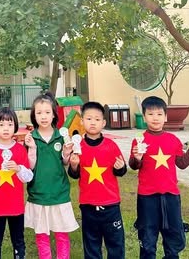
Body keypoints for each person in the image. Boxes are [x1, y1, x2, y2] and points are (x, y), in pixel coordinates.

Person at [129, 96, 189, 259]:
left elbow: (181, 163)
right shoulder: (140, 141)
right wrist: (137, 157)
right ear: (144, 117)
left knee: (174, 234)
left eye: (159, 114)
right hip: (147, 197)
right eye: (150, 114)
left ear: (166, 117)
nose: (155, 118)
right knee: (147, 235)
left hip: (170, 196)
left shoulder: (172, 140)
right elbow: (134, 165)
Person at [68, 101, 127, 259]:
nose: (93, 122)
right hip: (88, 205)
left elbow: (121, 171)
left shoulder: (111, 145)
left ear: (104, 123)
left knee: (115, 244)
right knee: (91, 244)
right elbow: (74, 174)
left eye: (97, 119)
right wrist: (74, 165)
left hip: (111, 205)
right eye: (89, 119)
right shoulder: (78, 146)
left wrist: (120, 166)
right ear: (82, 121)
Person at [24, 92, 78, 259]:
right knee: (42, 235)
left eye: (47, 112)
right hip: (38, 194)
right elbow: (29, 167)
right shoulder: (30, 138)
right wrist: (32, 148)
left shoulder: (61, 136)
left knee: (62, 234)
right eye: (39, 113)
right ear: (34, 115)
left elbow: (65, 162)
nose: (43, 116)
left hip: (59, 193)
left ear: (54, 114)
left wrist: (67, 153)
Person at [0, 107, 33, 259]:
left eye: (10, 124)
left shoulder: (20, 150)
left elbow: (28, 177)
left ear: (15, 126)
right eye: (1, 124)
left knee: (18, 241)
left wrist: (18, 168)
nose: (6, 128)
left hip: (15, 206)